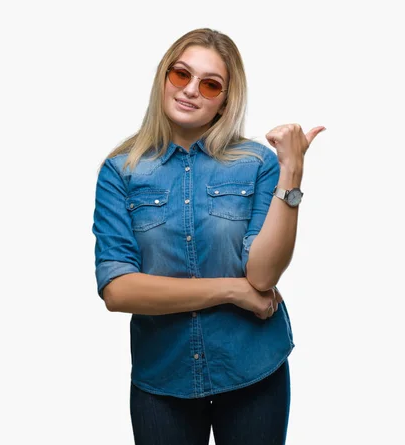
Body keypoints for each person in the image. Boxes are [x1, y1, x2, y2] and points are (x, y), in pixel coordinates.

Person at [92, 27, 325, 445]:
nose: (191, 91)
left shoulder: (257, 164)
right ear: (164, 78)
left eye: (210, 84)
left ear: (224, 102)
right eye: (181, 75)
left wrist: (291, 171)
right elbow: (118, 290)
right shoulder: (120, 171)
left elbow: (263, 276)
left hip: (254, 369)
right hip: (162, 378)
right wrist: (233, 292)